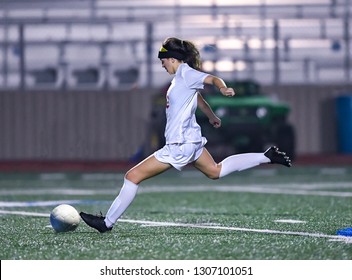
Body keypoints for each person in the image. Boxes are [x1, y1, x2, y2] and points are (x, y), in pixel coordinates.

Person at [80, 37, 291, 233]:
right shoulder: (181, 79)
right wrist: (211, 116)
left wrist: (224, 89)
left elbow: (213, 79)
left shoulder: (186, 73)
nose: (162, 65)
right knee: (215, 171)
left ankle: (106, 223)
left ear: (173, 59)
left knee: (132, 177)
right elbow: (198, 98)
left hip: (179, 145)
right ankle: (266, 156)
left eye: (163, 61)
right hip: (192, 141)